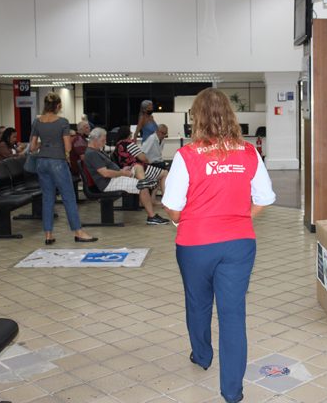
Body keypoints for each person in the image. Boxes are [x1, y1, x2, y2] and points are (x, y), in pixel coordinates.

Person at [162, 87, 275, 403]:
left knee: (197, 303)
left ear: (195, 117)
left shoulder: (186, 156)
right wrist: (240, 218)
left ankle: (201, 355)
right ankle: (232, 391)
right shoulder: (249, 152)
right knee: (233, 315)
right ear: (230, 115)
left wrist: (187, 221)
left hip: (195, 244)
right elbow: (265, 198)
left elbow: (172, 207)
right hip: (239, 244)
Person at [29, 93, 96, 245]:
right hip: (57, 162)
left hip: (41, 162)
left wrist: (45, 143)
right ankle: (78, 232)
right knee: (68, 197)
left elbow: (32, 147)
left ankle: (48, 234)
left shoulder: (37, 122)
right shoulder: (62, 122)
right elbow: (67, 146)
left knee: (47, 198)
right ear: (58, 106)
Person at [84, 128, 169, 225]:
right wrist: (122, 173)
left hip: (112, 179)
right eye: (103, 140)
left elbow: (107, 170)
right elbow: (105, 173)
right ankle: (151, 216)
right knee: (142, 186)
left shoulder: (96, 151)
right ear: (95, 140)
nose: (105, 142)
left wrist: (121, 171)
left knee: (141, 180)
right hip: (108, 183)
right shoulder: (92, 154)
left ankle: (148, 188)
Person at [113, 125, 168, 204]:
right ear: (128, 134)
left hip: (127, 168)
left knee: (160, 171)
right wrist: (148, 162)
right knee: (165, 173)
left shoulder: (118, 145)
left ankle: (152, 199)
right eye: (130, 133)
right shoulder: (129, 144)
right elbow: (143, 158)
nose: (132, 134)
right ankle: (165, 201)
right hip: (137, 168)